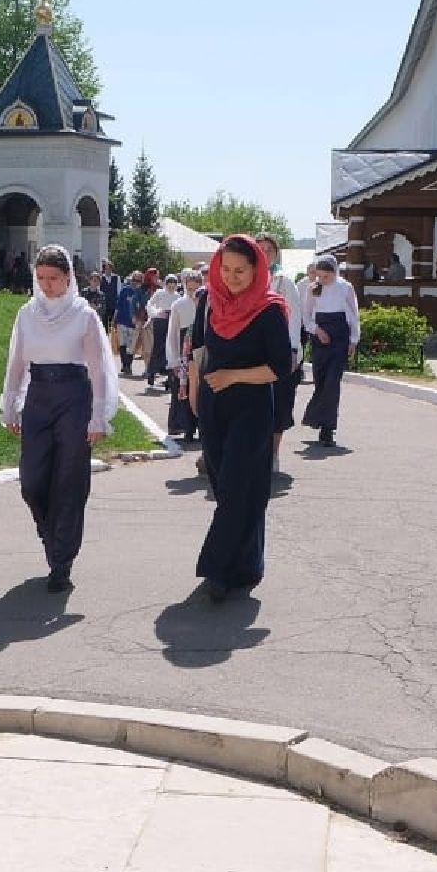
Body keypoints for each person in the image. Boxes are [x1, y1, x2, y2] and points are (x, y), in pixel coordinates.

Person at [0, 244, 119, 592]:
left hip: (74, 398)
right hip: (38, 398)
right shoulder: (27, 314)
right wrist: (10, 405)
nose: (47, 284)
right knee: (31, 480)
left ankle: (61, 562)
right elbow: (17, 363)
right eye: (41, 278)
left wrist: (98, 417)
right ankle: (50, 533)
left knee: (69, 480)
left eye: (53, 278)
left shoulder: (84, 315)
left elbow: (98, 370)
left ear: (68, 278)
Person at [192, 235, 292, 603]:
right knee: (227, 487)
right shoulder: (208, 300)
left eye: (241, 271)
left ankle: (216, 570)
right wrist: (194, 391)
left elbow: (281, 367)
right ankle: (247, 564)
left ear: (257, 270)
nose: (232, 278)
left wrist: (233, 376)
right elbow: (199, 351)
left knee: (237, 486)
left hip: (251, 407)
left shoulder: (269, 309)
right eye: (227, 269)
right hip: (213, 407)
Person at [253, 234, 306, 459]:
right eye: (260, 249)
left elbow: (294, 318)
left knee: (280, 405)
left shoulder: (284, 282)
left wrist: (292, 350)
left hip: (279, 350)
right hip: (253, 351)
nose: (265, 253)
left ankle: (273, 454)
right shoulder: (246, 278)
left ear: (276, 254)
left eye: (269, 250)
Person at [300, 257, 361, 447]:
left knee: (332, 383)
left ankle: (327, 429)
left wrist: (353, 340)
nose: (322, 280)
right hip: (320, 337)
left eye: (326, 276)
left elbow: (354, 314)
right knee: (321, 381)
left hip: (339, 338)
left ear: (335, 273)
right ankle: (316, 418)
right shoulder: (313, 289)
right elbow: (306, 316)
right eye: (319, 276)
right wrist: (317, 330)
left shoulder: (345, 287)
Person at [166, 268, 203, 442]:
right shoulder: (178, 305)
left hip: (202, 351)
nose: (193, 292)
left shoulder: (207, 303)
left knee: (202, 391)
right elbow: (173, 334)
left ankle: (203, 428)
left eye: (196, 288)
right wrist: (173, 360)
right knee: (185, 390)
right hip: (184, 351)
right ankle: (188, 428)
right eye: (189, 288)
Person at [144, 273, 178, 389]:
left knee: (170, 348)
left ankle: (169, 377)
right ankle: (152, 372)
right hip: (160, 321)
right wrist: (157, 313)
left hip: (172, 322)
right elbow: (150, 304)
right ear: (166, 284)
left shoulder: (177, 296)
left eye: (173, 284)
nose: (171, 286)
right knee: (158, 347)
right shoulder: (159, 293)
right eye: (169, 283)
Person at [115, 272, 141, 375]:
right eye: (134, 280)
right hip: (122, 320)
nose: (135, 283)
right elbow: (118, 305)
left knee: (132, 346)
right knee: (122, 343)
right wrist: (114, 318)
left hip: (135, 323)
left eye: (138, 281)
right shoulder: (124, 290)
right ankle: (125, 365)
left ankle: (128, 364)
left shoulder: (141, 293)